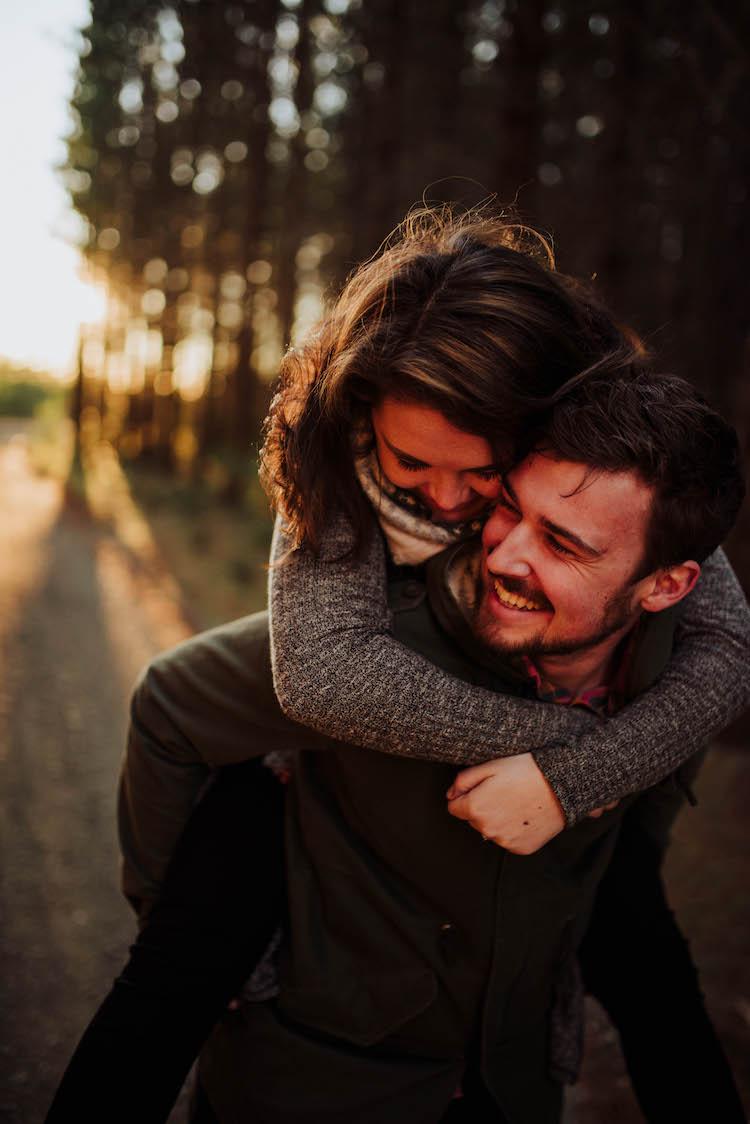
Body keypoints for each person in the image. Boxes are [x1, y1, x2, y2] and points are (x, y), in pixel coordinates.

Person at [46, 212, 749, 1121]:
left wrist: (585, 790)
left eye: (485, 472)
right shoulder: (332, 462)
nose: (453, 505)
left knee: (649, 962)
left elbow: (725, 647)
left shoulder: (601, 473)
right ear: (363, 419)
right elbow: (316, 678)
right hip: (300, 792)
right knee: (187, 950)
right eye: (414, 462)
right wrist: (575, 751)